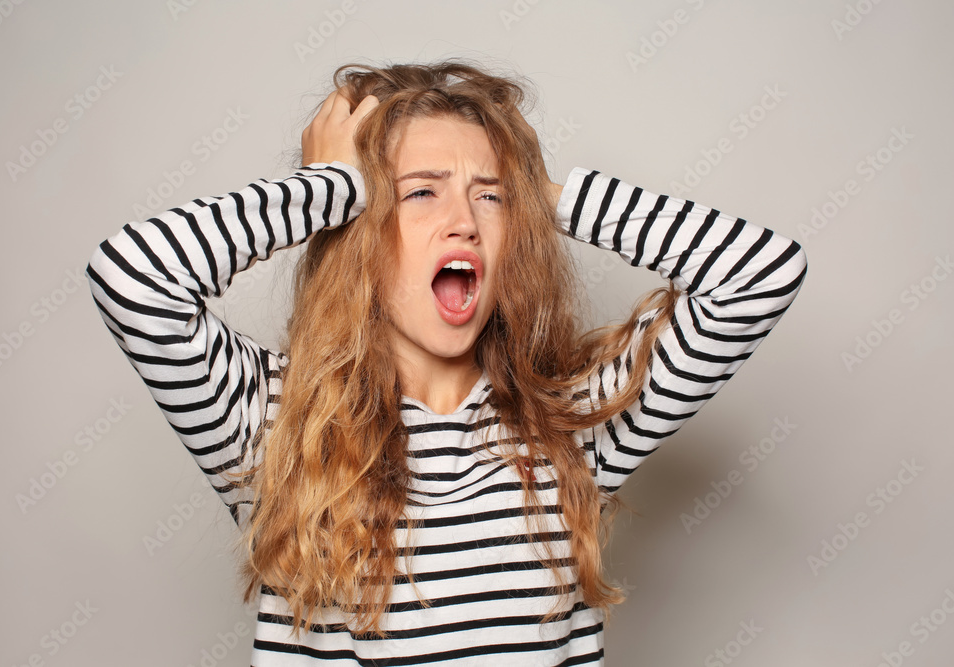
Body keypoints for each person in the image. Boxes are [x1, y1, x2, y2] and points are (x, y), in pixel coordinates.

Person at [86, 61, 807, 666]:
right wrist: (327, 187)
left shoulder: (573, 424)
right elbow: (133, 279)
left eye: (488, 196)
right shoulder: (274, 420)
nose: (463, 219)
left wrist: (536, 197)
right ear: (359, 229)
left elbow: (760, 274)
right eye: (420, 191)